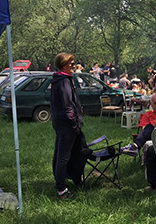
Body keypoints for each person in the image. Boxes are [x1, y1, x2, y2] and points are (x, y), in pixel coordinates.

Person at [50, 53, 88, 200]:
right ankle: (61, 189)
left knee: (60, 153)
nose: (74, 66)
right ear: (64, 65)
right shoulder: (64, 81)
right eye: (72, 64)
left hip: (60, 123)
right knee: (63, 157)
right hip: (66, 124)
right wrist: (74, 123)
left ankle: (66, 180)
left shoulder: (59, 80)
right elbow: (67, 106)